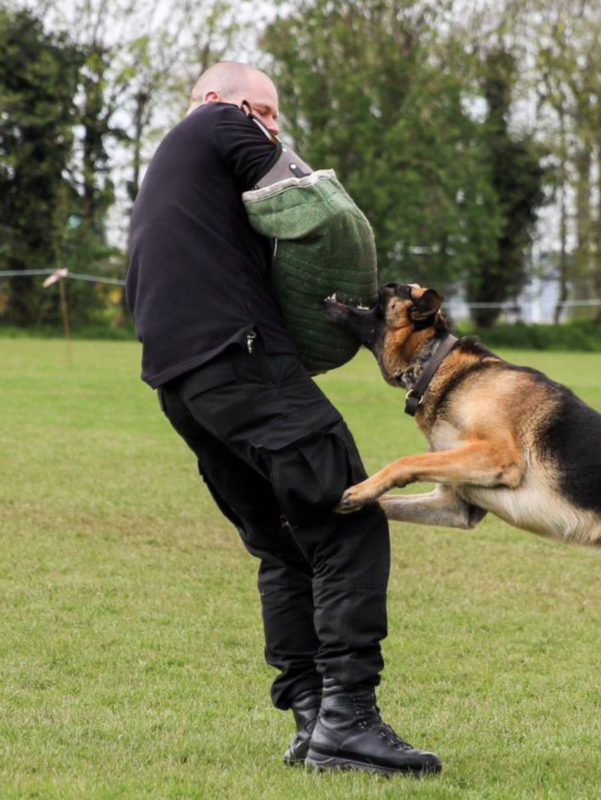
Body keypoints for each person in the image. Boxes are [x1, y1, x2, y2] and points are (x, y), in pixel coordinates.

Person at [125, 61, 441, 777]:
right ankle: (348, 723)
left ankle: (311, 715)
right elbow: (322, 207)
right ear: (216, 100)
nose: (270, 127)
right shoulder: (216, 122)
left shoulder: (175, 182)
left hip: (182, 383)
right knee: (350, 517)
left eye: (273, 115)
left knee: (283, 542)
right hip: (242, 359)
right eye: (261, 110)